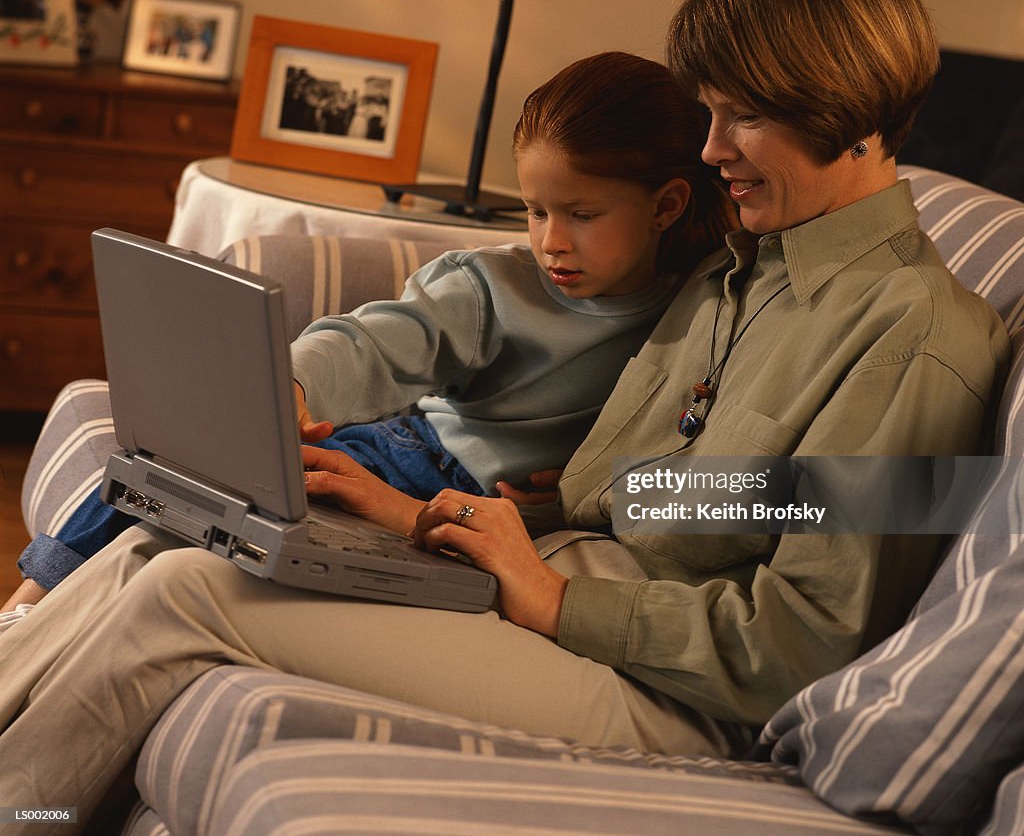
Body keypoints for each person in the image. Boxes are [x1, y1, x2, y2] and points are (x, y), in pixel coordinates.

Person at [0, 0, 1009, 832]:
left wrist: (554, 599)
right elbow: (687, 492)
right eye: (708, 111)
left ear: (836, 101)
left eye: (738, 115)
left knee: (188, 593)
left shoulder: (913, 342)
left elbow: (795, 640)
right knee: (160, 545)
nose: (708, 150)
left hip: (667, 689)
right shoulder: (741, 269)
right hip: (553, 575)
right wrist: (414, 519)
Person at [1, 52, 734, 616]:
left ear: (667, 205)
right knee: (175, 470)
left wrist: (576, 495)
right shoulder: (492, 285)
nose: (551, 242)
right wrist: (290, 382)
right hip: (407, 456)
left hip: (512, 518)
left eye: (582, 214)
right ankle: (28, 605)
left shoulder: (707, 307)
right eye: (536, 211)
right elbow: (377, 341)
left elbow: (694, 462)